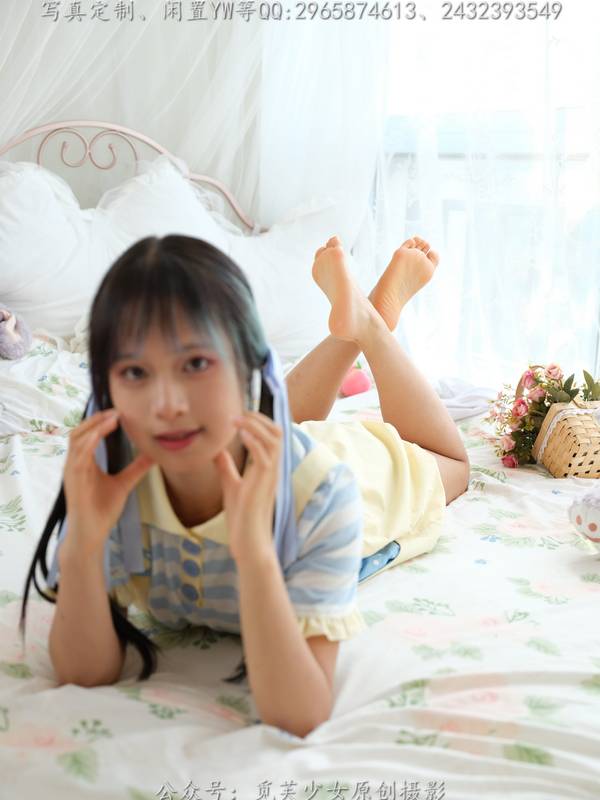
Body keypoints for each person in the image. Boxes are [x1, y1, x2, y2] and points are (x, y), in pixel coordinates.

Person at [19, 233, 469, 739]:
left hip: (349, 466)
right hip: (248, 442)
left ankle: (368, 327)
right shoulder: (109, 483)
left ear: (248, 365)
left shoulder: (321, 495)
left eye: (195, 364)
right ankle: (357, 324)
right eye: (135, 371)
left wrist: (255, 551)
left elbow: (300, 714)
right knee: (262, 425)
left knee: (452, 465)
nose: (166, 405)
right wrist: (85, 538)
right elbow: (84, 672)